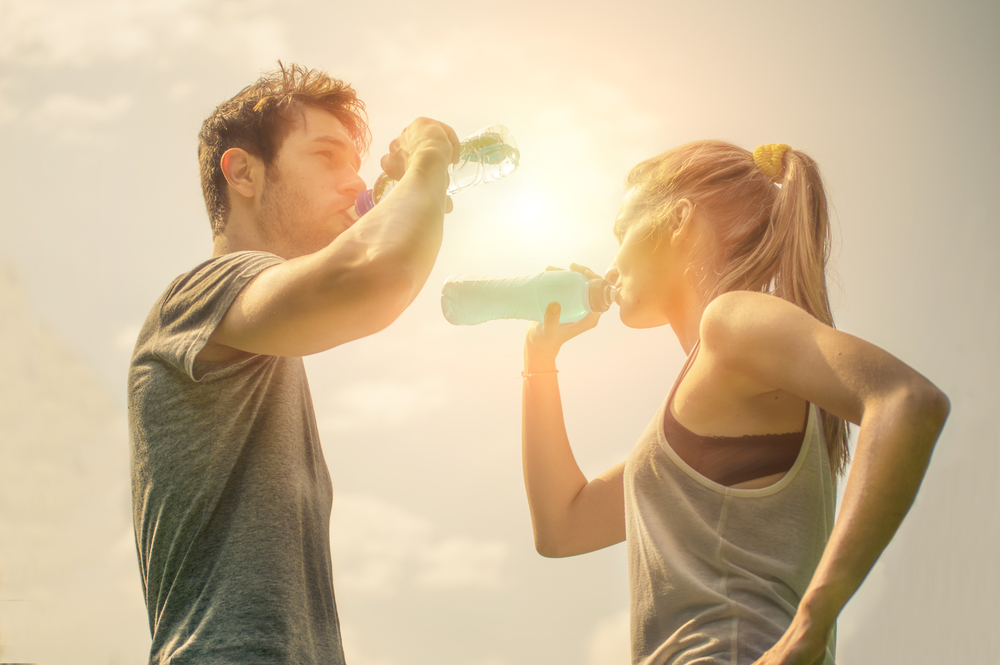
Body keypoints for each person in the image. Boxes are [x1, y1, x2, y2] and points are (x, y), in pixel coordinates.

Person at [520, 140, 950, 664]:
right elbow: (562, 527)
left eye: (621, 232)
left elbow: (907, 401)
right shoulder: (700, 405)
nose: (610, 265)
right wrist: (539, 359)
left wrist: (812, 622)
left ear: (679, 220)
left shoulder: (731, 322)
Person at [127, 63, 460, 664]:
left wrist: (415, 203)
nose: (353, 181)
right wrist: (430, 156)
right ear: (244, 172)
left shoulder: (263, 335)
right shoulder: (203, 292)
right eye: (328, 156)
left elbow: (376, 271)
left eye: (354, 164)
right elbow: (373, 279)